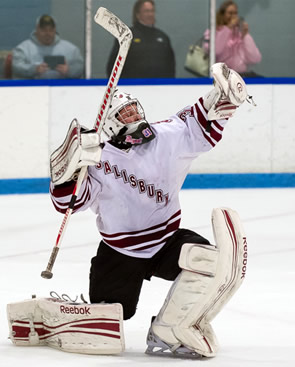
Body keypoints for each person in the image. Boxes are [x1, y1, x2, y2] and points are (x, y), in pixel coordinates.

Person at [48, 63, 252, 358]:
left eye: (135, 110)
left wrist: (221, 99)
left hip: (166, 241)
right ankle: (69, 317)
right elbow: (69, 203)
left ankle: (169, 329)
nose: (134, 116)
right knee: (110, 320)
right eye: (125, 113)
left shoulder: (165, 137)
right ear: (111, 124)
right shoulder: (98, 158)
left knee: (207, 262)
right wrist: (68, 171)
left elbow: (195, 125)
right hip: (119, 253)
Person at [106, 0, 175, 78]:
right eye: (146, 11)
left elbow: (171, 65)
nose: (150, 14)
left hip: (160, 86)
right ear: (137, 14)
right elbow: (113, 65)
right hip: (132, 86)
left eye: (152, 11)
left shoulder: (163, 37)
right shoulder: (127, 36)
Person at [12, 14, 84, 79]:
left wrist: (69, 70)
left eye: (51, 30)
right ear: (37, 30)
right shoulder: (23, 49)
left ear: (55, 30)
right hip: (32, 90)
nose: (48, 33)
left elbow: (81, 67)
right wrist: (34, 69)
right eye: (44, 30)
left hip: (63, 90)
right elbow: (16, 67)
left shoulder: (71, 49)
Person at [203, 0, 262, 77]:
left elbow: (255, 59)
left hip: (240, 76)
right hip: (221, 77)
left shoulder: (239, 34)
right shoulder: (212, 33)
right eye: (230, 13)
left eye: (235, 13)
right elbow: (216, 51)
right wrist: (228, 28)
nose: (233, 16)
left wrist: (245, 35)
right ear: (222, 15)